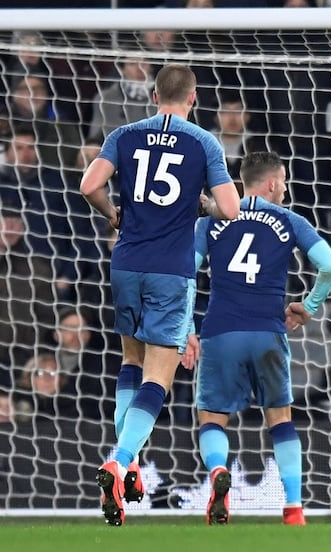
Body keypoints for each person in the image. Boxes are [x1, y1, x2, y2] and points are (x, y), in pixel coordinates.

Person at [80, 64, 241, 527]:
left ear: (154, 96)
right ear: (193, 99)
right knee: (158, 378)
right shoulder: (203, 142)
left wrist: (113, 214)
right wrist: (204, 204)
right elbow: (229, 208)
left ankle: (128, 465)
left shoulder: (125, 134)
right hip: (171, 272)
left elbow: (89, 185)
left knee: (130, 363)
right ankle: (119, 460)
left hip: (126, 263)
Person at [192, 151, 331, 525]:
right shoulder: (289, 219)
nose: (286, 188)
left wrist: (184, 329)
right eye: (285, 181)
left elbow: (186, 275)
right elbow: (330, 266)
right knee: (280, 420)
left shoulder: (210, 222)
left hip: (221, 331)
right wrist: (309, 305)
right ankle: (293, 508)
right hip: (268, 331)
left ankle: (216, 474)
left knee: (212, 418)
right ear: (273, 182)